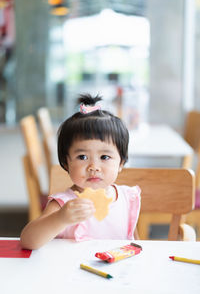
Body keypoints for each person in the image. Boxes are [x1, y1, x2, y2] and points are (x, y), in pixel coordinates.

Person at [20, 94, 141, 249]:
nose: (93, 167)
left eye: (104, 156)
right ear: (66, 162)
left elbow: (136, 244)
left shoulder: (127, 198)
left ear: (121, 163)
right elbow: (27, 241)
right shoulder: (63, 204)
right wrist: (60, 219)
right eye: (82, 156)